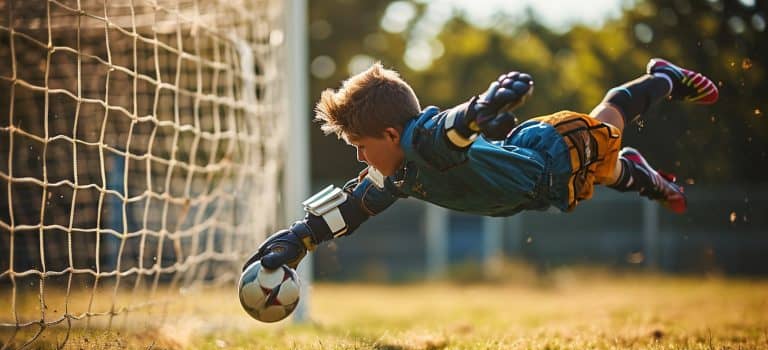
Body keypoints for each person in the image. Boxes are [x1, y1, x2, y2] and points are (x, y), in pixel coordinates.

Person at [244, 58, 718, 271]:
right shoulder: (399, 171)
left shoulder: (421, 142)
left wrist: (479, 109)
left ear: (391, 135)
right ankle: (640, 171)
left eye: (359, 144)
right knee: (606, 168)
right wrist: (300, 236)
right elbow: (355, 204)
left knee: (611, 116)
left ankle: (662, 79)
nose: (358, 155)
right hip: (535, 174)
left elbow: (447, 128)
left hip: (554, 153)